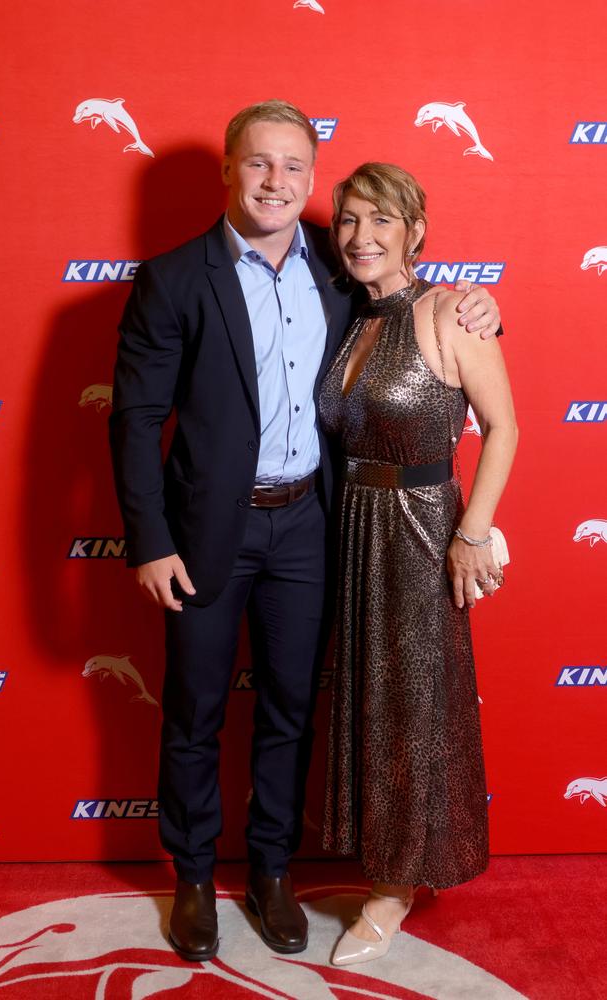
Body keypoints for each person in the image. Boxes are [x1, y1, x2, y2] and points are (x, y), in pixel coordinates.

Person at [109, 102, 502, 963]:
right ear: (228, 170)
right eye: (259, 164)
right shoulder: (175, 278)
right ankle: (191, 877)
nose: (275, 182)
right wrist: (147, 538)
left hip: (313, 532)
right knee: (194, 712)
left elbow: (413, 293)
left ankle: (274, 873)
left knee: (292, 710)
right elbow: (135, 421)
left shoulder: (338, 270)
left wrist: (479, 299)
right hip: (204, 537)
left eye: (292, 167)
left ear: (310, 181)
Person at [319, 161, 518, 966]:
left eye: (380, 221)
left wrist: (472, 534)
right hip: (354, 529)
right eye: (347, 222)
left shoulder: (449, 311)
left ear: (415, 231)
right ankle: (381, 861)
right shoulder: (352, 319)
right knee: (371, 703)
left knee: (414, 713)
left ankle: (395, 888)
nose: (361, 238)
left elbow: (503, 428)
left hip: (421, 530)